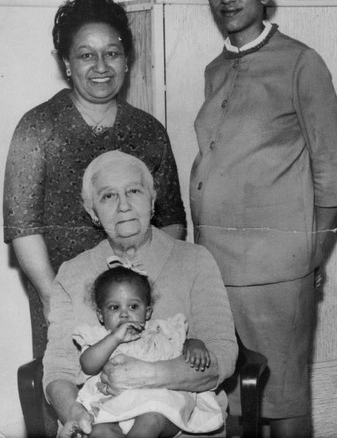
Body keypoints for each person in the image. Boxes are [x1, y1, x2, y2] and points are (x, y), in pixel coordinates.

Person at [189, 0, 337, 437]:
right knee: (234, 399)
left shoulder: (301, 63)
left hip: (277, 271)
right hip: (218, 265)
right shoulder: (215, 69)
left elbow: (332, 171)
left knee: (282, 398)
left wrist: (312, 254)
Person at [3, 0, 186, 358]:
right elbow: (23, 228)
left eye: (112, 53)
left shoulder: (148, 131)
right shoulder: (37, 127)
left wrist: (145, 285)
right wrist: (51, 297)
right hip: (61, 292)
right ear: (67, 64)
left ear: (127, 60)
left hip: (134, 300)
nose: (101, 66)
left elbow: (172, 221)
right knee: (71, 397)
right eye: (86, 54)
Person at [43, 150, 238, 438]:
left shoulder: (195, 259)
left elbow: (221, 355)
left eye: (133, 191)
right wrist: (73, 411)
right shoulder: (72, 273)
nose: (124, 206)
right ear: (93, 213)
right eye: (108, 196)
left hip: (177, 413)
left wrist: (147, 376)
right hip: (101, 414)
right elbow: (59, 367)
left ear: (152, 198)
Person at [62, 266, 223, 437]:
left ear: (147, 312)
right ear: (101, 316)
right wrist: (114, 338)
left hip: (159, 406)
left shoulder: (162, 330)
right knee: (100, 430)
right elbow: (88, 365)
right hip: (112, 407)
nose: (124, 314)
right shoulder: (100, 338)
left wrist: (194, 344)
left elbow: (181, 345)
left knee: (151, 420)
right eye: (114, 308)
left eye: (133, 306)